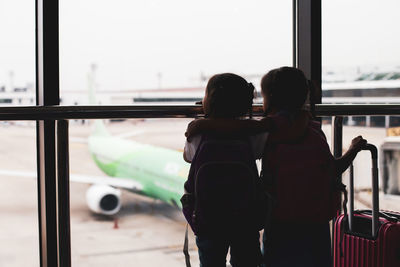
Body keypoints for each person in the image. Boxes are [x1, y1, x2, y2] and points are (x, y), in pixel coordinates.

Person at [185, 67, 367, 267]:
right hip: (313, 221)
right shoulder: (312, 130)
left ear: (270, 97)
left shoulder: (265, 132)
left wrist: (204, 124)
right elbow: (333, 168)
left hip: (274, 222)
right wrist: (352, 149)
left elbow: (197, 152)